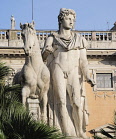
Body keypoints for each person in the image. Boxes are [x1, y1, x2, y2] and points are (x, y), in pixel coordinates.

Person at [42, 8, 95, 138]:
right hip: (57, 68)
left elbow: (83, 61)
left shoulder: (79, 39)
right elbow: (43, 56)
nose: (71, 22)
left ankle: (80, 131)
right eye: (68, 18)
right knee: (60, 100)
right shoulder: (52, 38)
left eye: (73, 19)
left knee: (77, 103)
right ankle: (65, 132)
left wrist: (88, 76)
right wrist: (48, 51)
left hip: (73, 71)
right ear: (61, 19)